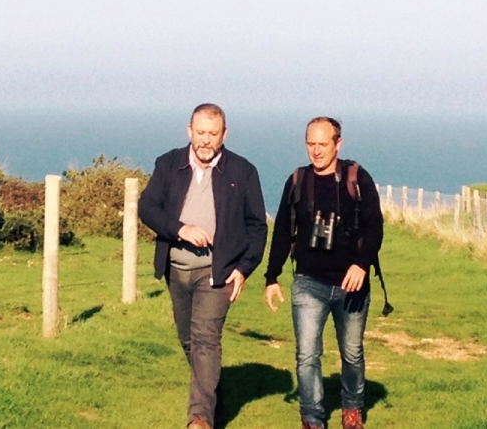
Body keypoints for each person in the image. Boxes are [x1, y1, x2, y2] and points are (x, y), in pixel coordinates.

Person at [138, 103, 268, 429]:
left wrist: (244, 269)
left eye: (213, 133)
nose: (206, 141)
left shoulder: (243, 171)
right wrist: (179, 229)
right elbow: (148, 207)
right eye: (200, 133)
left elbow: (257, 226)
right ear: (189, 131)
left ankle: (198, 420)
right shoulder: (168, 164)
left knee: (206, 339)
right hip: (176, 271)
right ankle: (212, 401)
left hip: (218, 273)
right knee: (189, 343)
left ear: (224, 134)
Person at [264, 117, 383, 429]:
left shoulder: (358, 178)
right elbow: (281, 230)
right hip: (308, 282)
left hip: (352, 284)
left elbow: (375, 227)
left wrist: (361, 264)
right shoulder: (297, 181)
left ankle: (352, 409)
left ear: (338, 144)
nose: (316, 151)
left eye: (323, 144)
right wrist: (271, 277)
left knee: (352, 353)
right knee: (306, 356)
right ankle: (313, 419)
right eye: (310, 144)